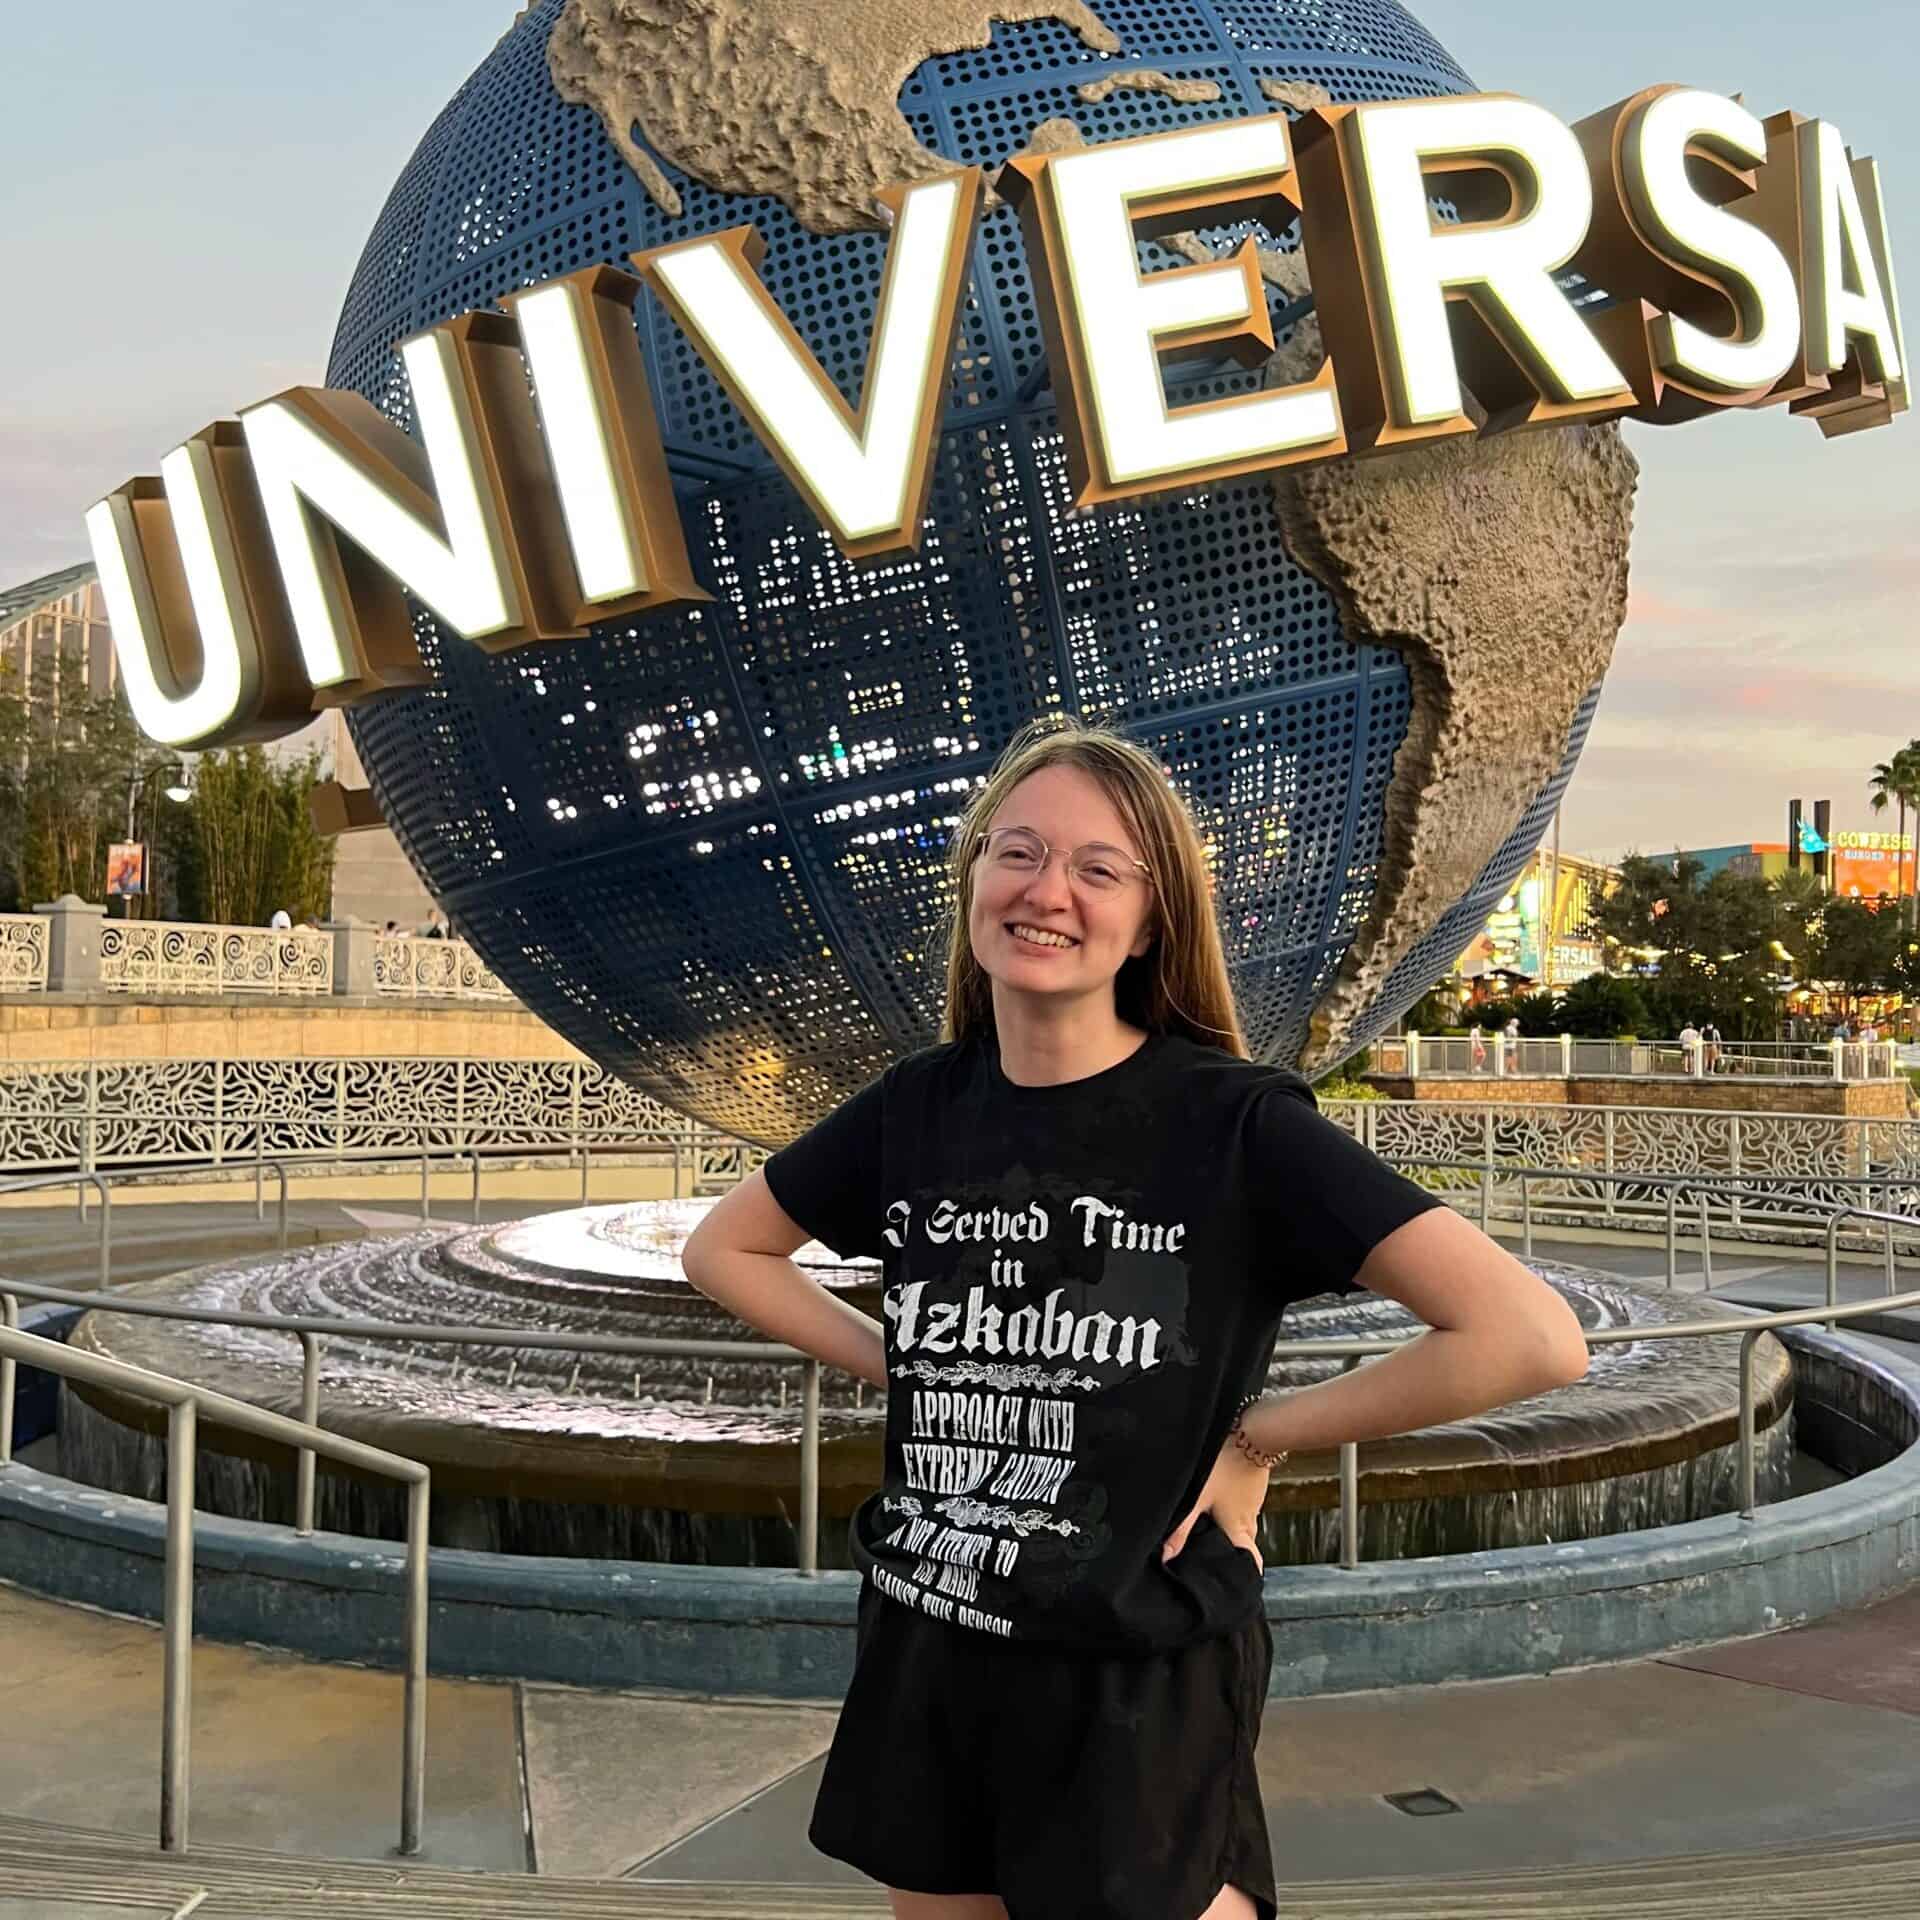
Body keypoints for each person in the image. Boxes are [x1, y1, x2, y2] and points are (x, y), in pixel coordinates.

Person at [681, 717, 1589, 1920]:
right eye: (1015, 853)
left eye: (1098, 869)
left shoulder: (1233, 1126)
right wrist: (901, 1365)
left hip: (1133, 1666)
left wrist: (1262, 1435)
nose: (1046, 892)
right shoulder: (915, 1109)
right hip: (933, 1633)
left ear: (1152, 919)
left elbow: (1527, 1336)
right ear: (971, 882)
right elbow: (726, 1248)